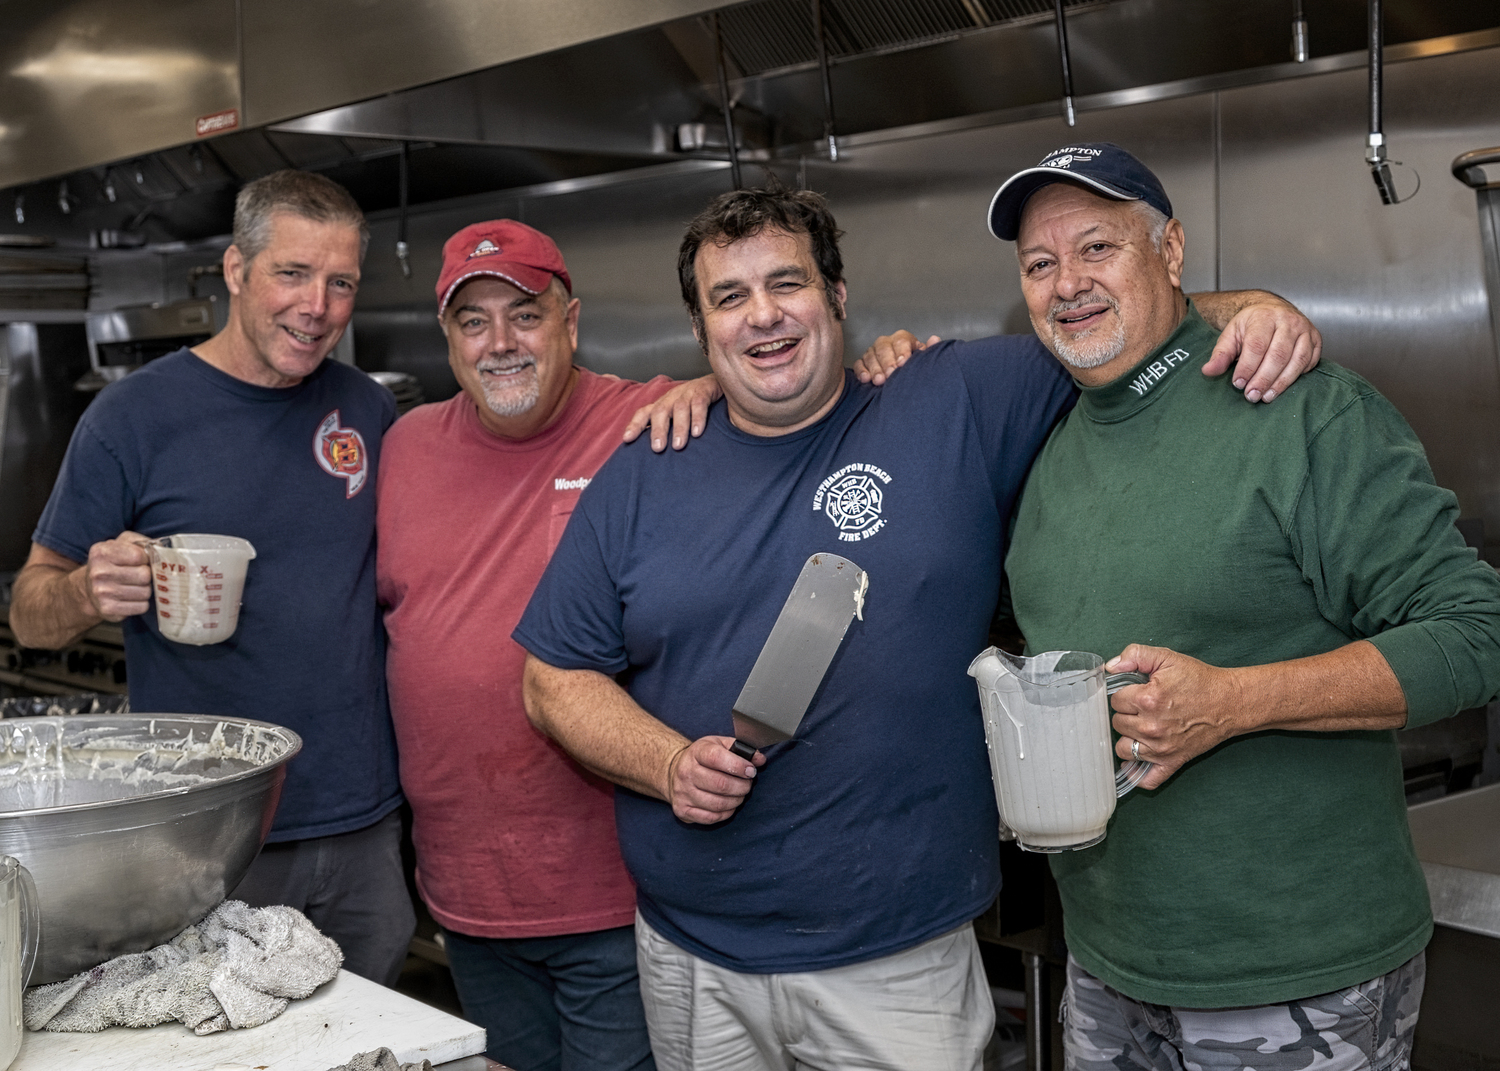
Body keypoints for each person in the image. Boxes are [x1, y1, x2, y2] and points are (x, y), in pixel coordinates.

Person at [512, 178, 1322, 1071]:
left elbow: (1109, 319)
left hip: (900, 964)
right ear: (703, 331)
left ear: (838, 298)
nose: (763, 316)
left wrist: (1257, 308)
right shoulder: (647, 465)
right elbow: (554, 677)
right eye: (729, 298)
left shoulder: (954, 400)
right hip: (693, 961)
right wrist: (664, 762)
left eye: (787, 284)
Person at [985, 143, 1500, 1069]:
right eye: (1039, 263)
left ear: (1171, 253)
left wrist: (1230, 704)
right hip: (1107, 966)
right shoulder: (1049, 441)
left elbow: (1476, 629)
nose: (1068, 283)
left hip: (1295, 974)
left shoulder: (1301, 412)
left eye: (1097, 247)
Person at [10, 170, 414, 986]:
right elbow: (28, 611)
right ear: (236, 270)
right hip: (209, 839)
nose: (317, 307)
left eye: (341, 283)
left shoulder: (369, 412)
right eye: (291, 274)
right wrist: (89, 589)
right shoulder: (132, 418)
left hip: (366, 829)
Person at [375, 219, 718, 1071]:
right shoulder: (406, 446)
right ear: (449, 337)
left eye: (525, 313)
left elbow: (786, 388)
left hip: (612, 892)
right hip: (465, 896)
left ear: (570, 321)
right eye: (473, 320)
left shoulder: (651, 420)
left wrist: (721, 383)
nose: (500, 343)